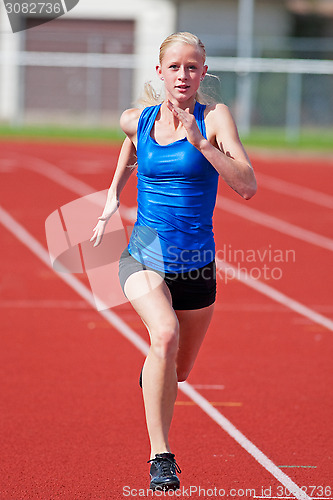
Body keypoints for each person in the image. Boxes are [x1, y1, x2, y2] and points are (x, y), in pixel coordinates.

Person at [90, 32, 257, 491]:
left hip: (197, 264)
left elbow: (248, 185)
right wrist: (111, 197)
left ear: (204, 72)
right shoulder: (137, 118)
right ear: (159, 72)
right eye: (175, 66)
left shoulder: (215, 117)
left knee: (177, 371)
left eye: (192, 66)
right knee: (163, 334)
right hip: (143, 255)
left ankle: (157, 373)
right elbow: (130, 143)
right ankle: (160, 456)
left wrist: (202, 144)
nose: (183, 75)